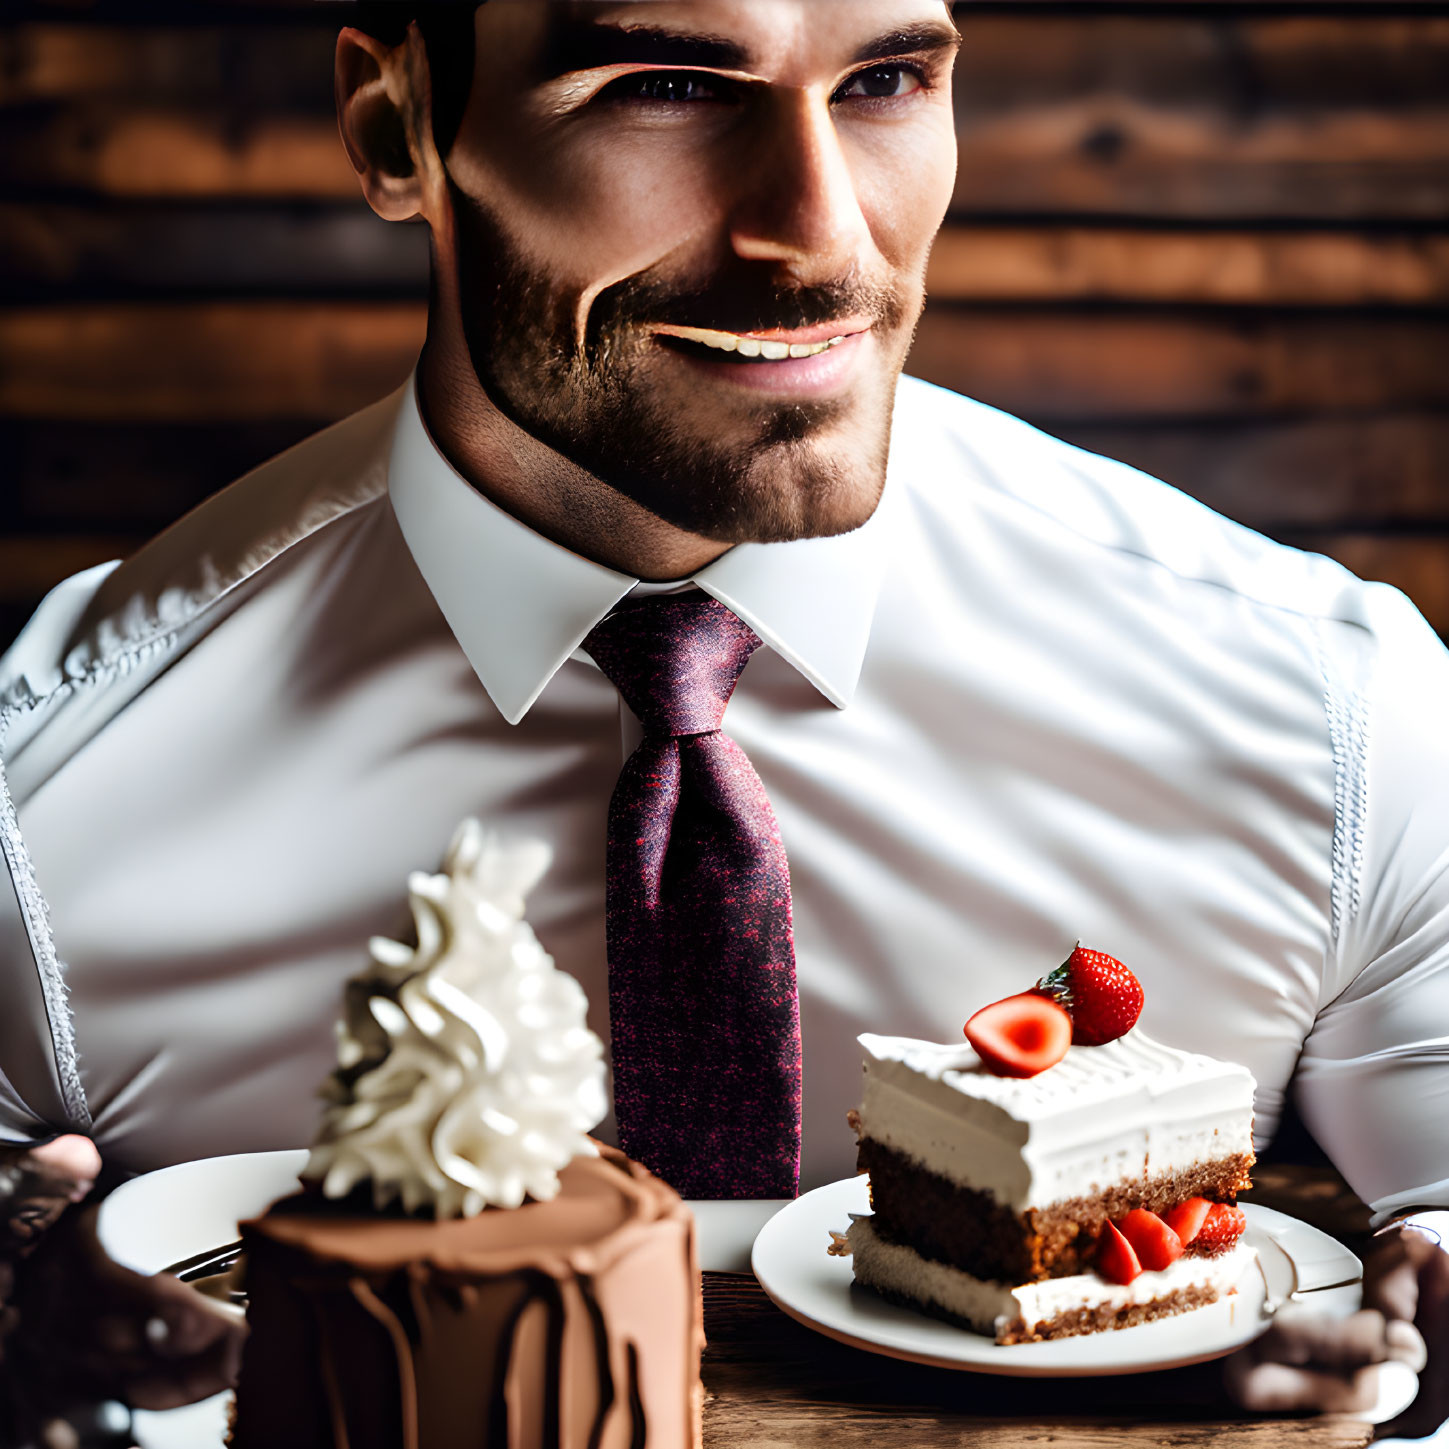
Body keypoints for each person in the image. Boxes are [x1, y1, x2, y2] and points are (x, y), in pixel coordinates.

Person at [0, 0, 1444, 1438]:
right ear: (398, 131)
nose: (817, 237)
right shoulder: (42, 788)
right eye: (668, 86)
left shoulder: (1329, 711)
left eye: (884, 79)